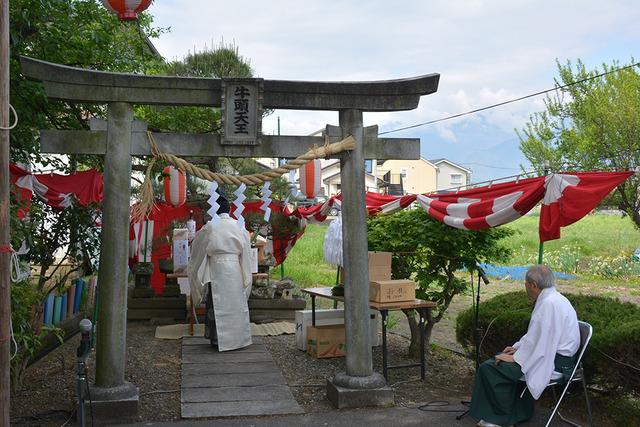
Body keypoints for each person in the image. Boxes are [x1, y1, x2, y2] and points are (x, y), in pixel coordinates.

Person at [469, 264, 580, 427]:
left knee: (490, 367)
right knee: (499, 361)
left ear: (533, 285)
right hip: (554, 356)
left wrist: (516, 358)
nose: (525, 287)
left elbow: (543, 345)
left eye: (526, 283)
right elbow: (538, 337)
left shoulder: (549, 304)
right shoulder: (554, 299)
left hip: (555, 362)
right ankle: (518, 413)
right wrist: (518, 347)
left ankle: (499, 418)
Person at [188, 194, 253, 351]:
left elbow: (197, 249)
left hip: (217, 268)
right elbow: (246, 253)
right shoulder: (239, 226)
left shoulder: (210, 227)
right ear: (229, 210)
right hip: (235, 267)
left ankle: (217, 339)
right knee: (236, 302)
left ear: (214, 209)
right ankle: (238, 339)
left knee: (216, 303)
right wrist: (247, 276)